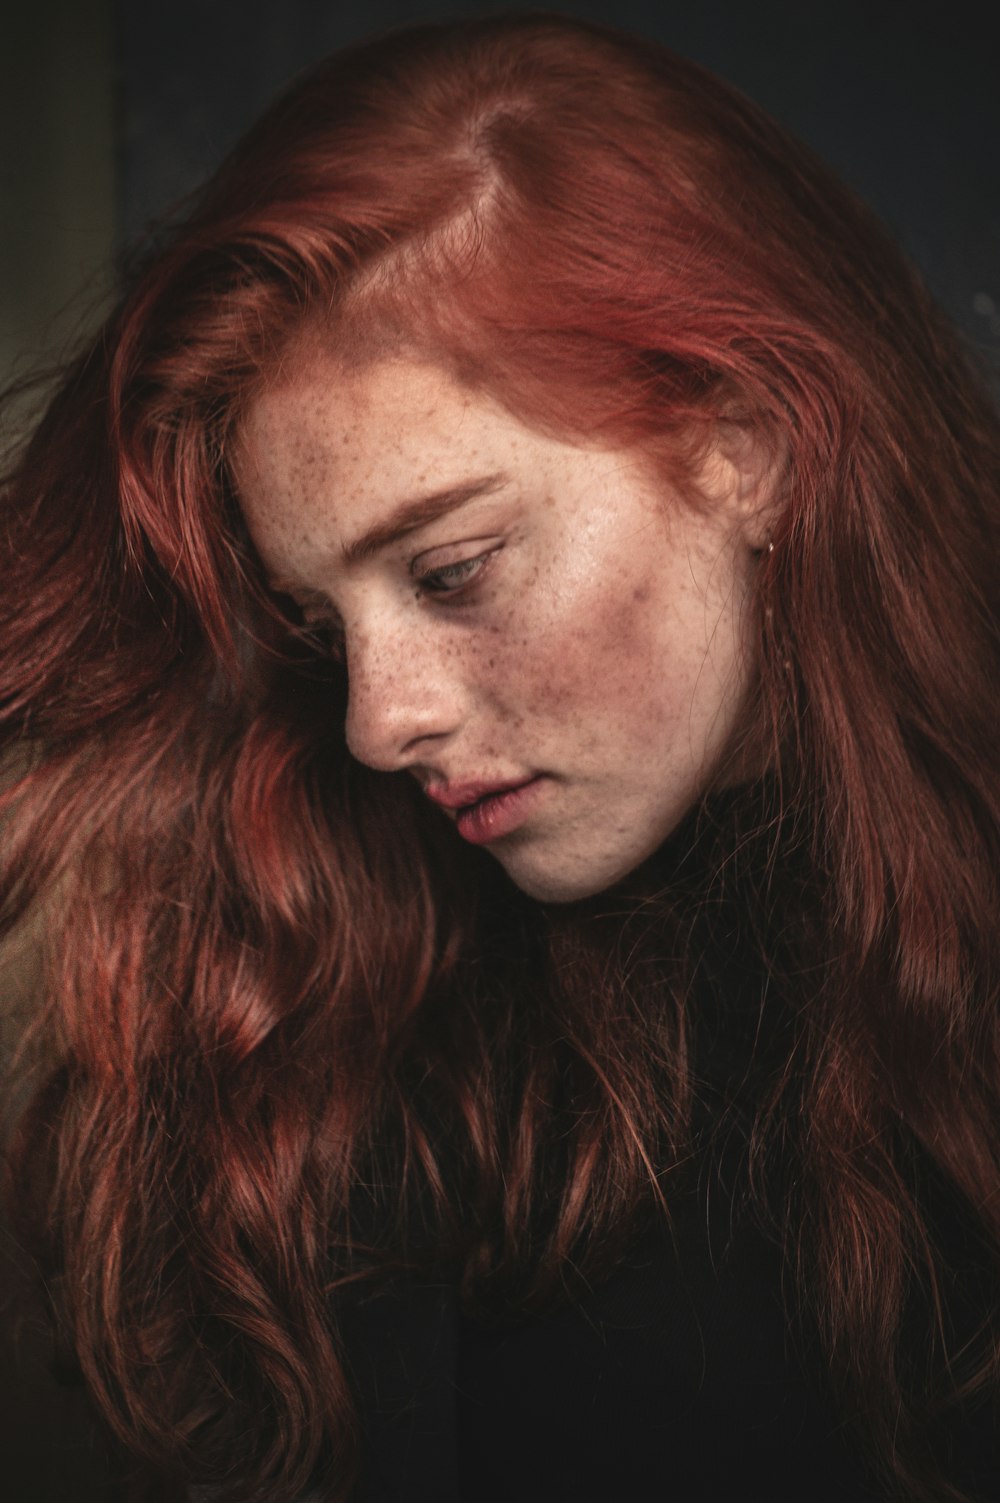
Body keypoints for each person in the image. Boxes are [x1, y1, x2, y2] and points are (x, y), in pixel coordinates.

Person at [2, 12, 998, 1502]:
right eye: (318, 624)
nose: (376, 719)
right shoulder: (368, 1014)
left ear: (751, 448)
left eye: (455, 570)